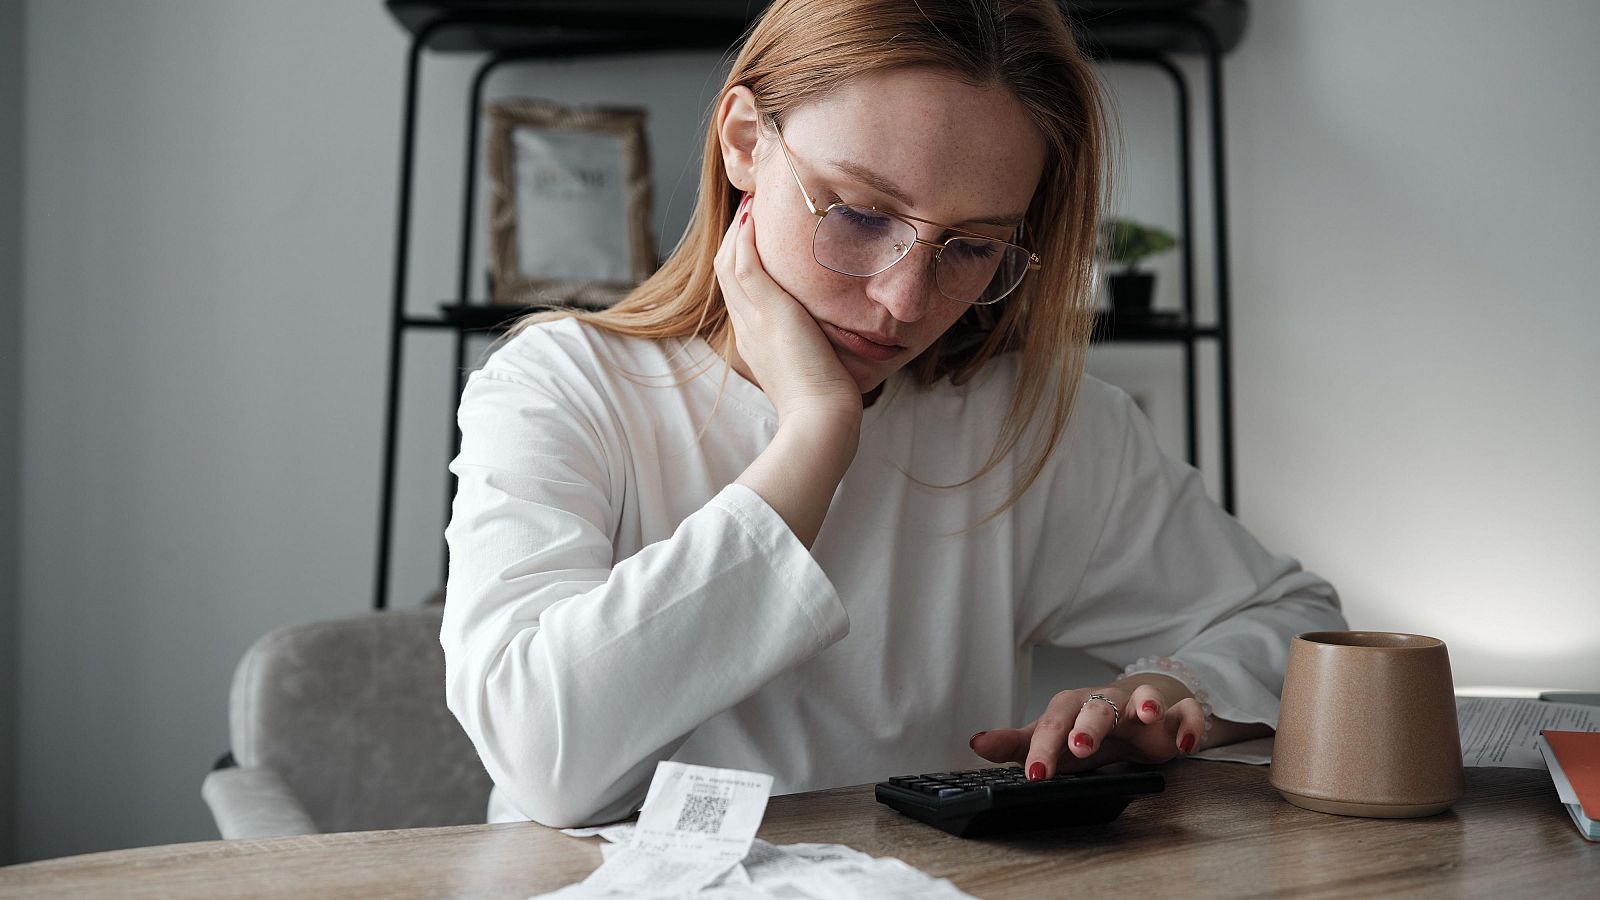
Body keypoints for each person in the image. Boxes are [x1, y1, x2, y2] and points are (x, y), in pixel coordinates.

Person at [441, 0, 1346, 828]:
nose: (904, 301)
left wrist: (1170, 694)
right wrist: (817, 435)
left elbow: (1295, 625)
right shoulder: (561, 386)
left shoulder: (1033, 426)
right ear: (746, 141)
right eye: (860, 213)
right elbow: (545, 764)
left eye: (974, 246)